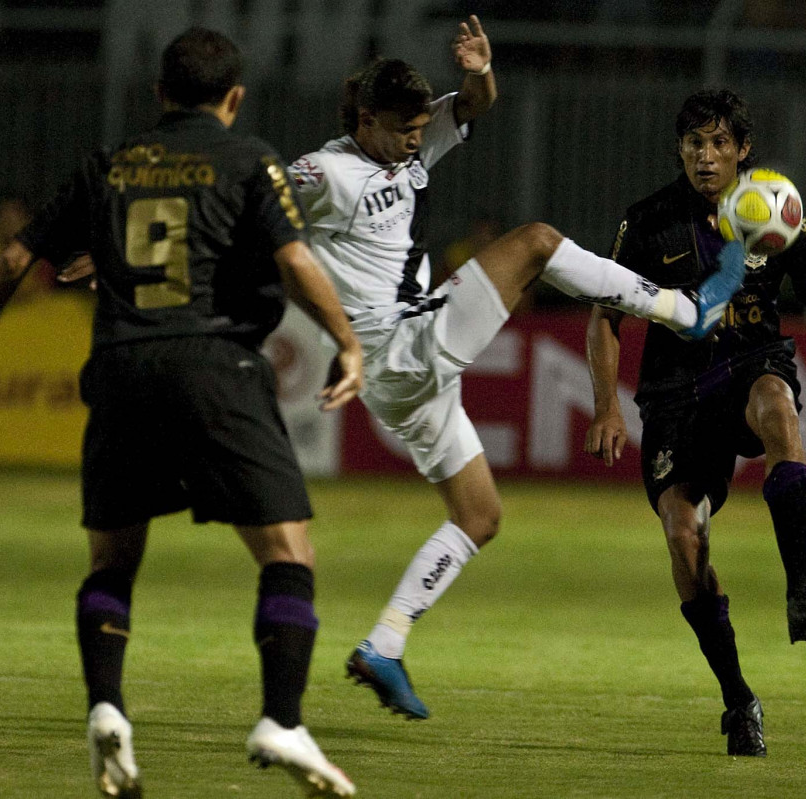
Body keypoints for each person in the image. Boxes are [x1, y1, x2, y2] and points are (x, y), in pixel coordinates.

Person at [0, 28, 363, 797]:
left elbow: (13, 258)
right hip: (216, 365)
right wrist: (347, 342)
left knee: (111, 561)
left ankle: (106, 706)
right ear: (233, 98)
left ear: (158, 95)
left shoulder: (109, 163)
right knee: (286, 552)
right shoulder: (247, 156)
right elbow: (294, 260)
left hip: (121, 369)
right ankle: (281, 717)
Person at [289, 17, 745, 721]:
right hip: (398, 345)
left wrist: (478, 71)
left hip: (413, 372)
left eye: (421, 129)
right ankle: (686, 310)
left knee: (479, 515)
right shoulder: (325, 171)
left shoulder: (405, 143)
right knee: (535, 242)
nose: (418, 140)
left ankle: (385, 641)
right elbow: (253, 217)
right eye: (404, 129)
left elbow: (475, 105)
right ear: (365, 119)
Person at [584, 89, 806, 757]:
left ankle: (799, 589)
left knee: (778, 405)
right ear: (680, 151)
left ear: (742, 151)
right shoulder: (648, 221)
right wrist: (607, 404)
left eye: (719, 144)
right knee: (683, 538)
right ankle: (739, 699)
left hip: (750, 365)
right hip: (675, 395)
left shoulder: (778, 217)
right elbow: (606, 318)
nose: (706, 157)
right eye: (694, 144)